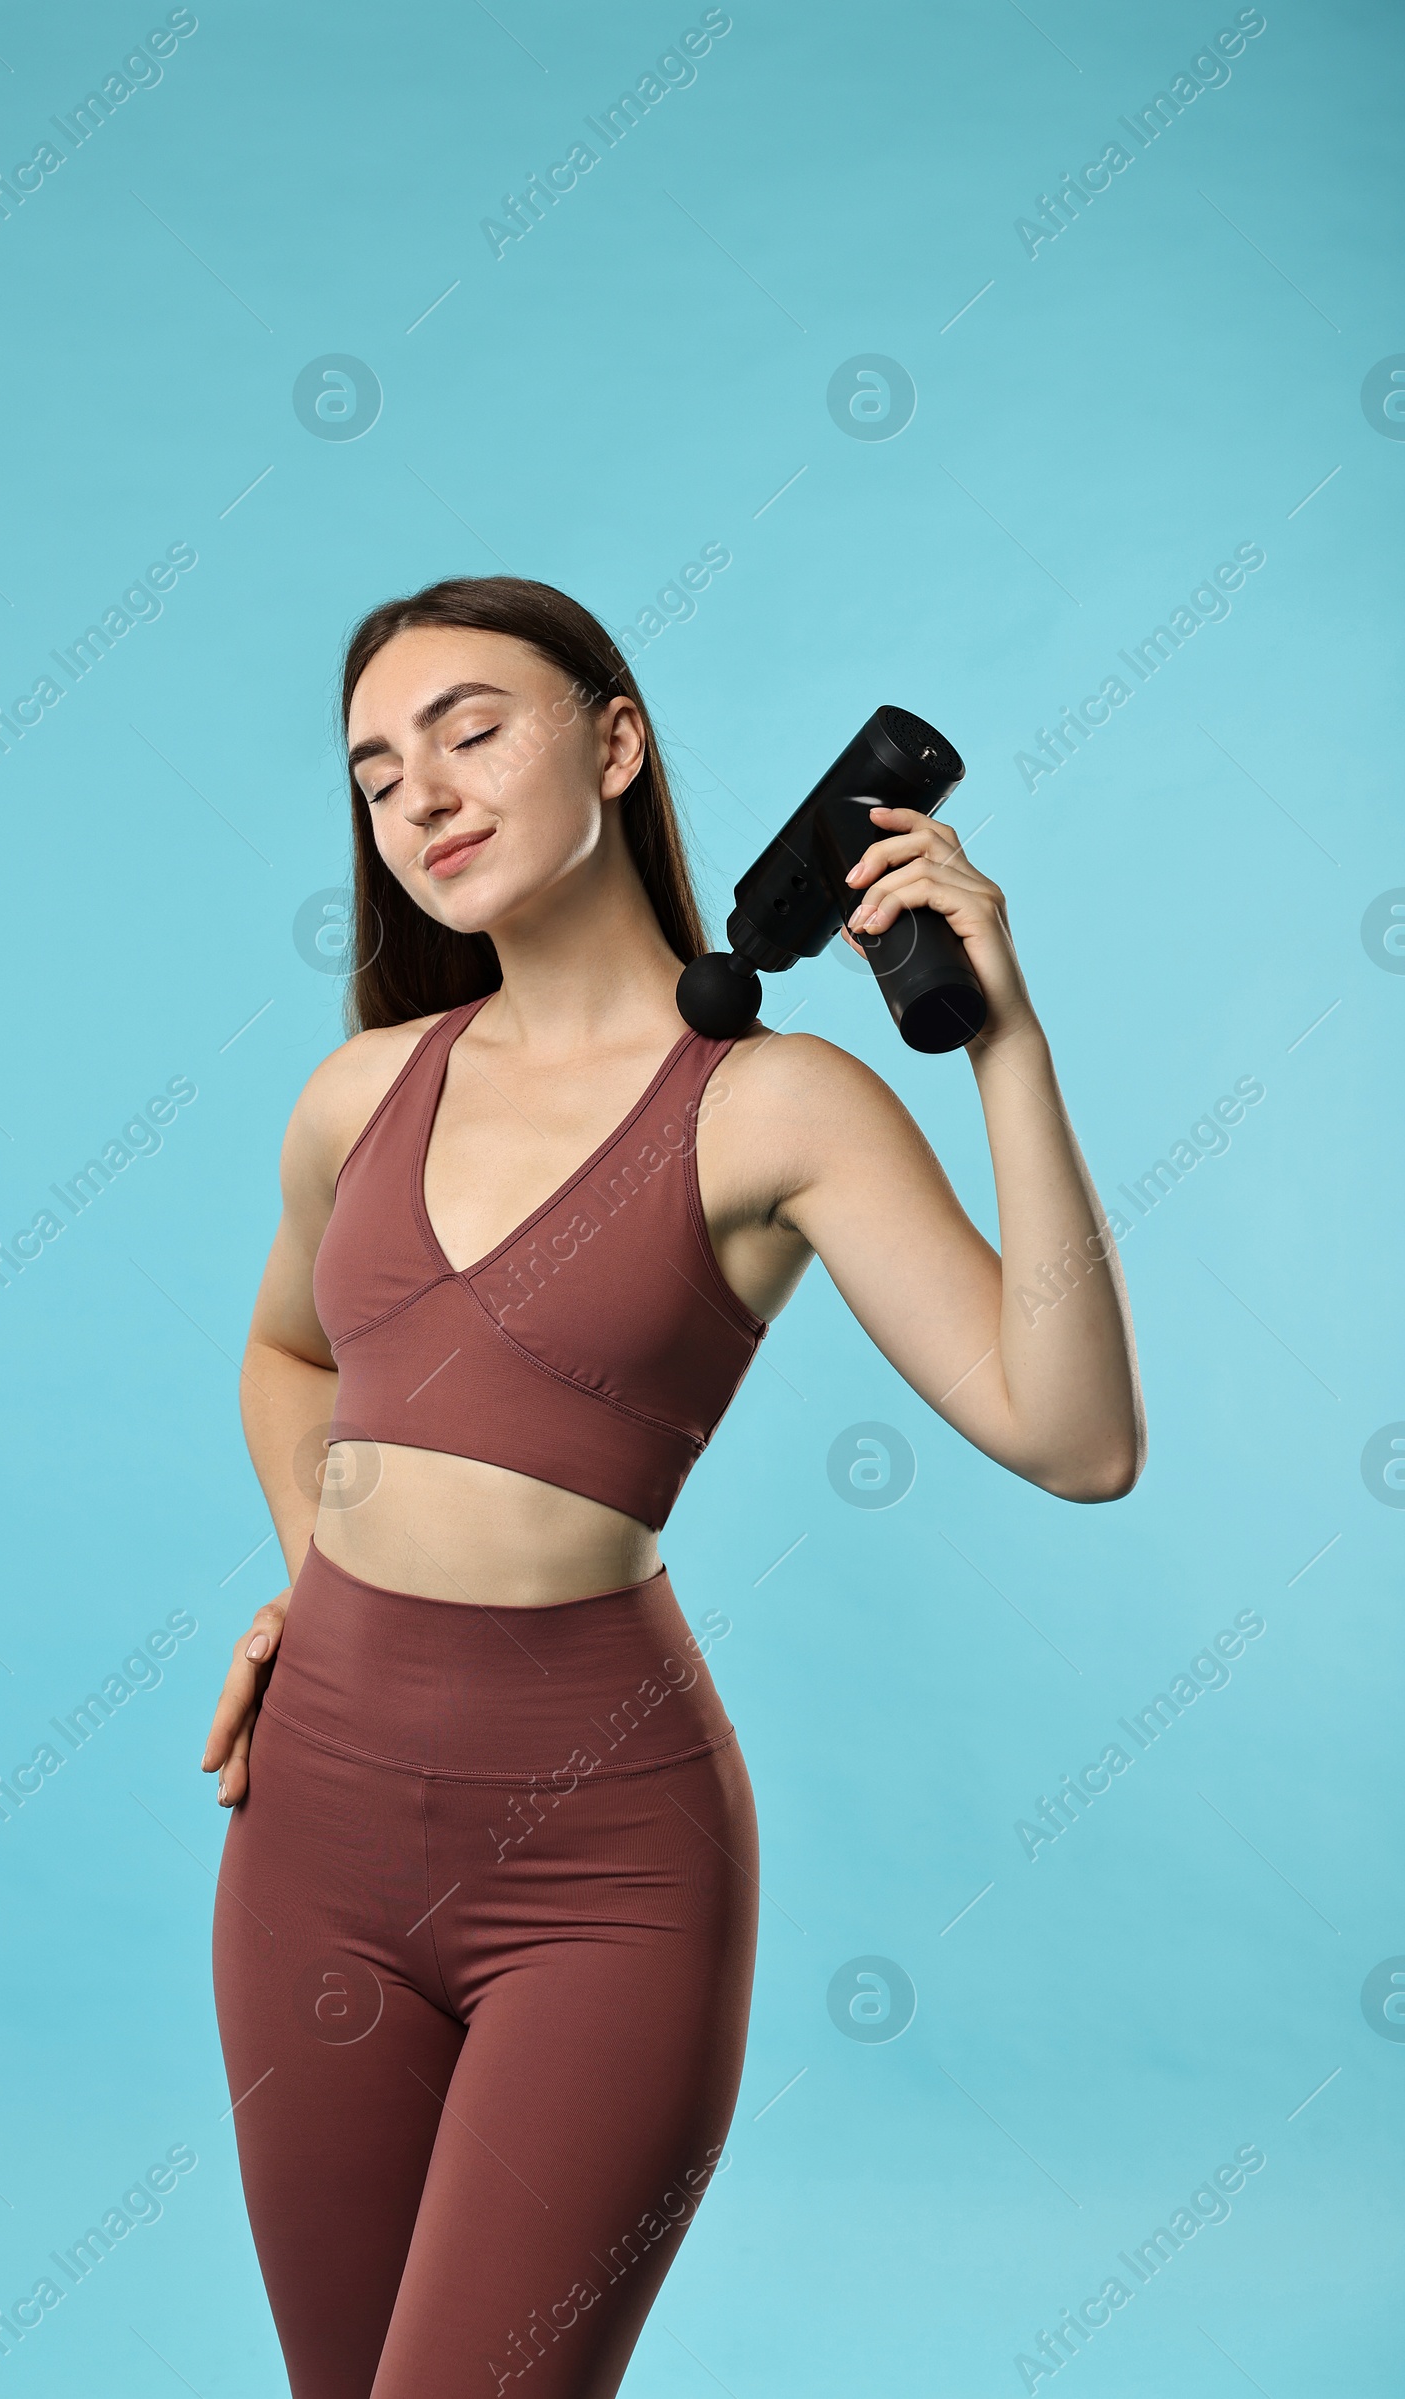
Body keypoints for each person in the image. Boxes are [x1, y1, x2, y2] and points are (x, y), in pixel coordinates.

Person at [203, 576, 1144, 2397]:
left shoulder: (774, 1103)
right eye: (379, 773)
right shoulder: (359, 1091)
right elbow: (289, 1359)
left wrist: (1005, 1040)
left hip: (602, 1874)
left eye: (473, 729)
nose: (425, 797)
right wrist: (315, 1579)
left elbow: (1076, 1434)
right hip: (305, 1846)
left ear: (615, 743)